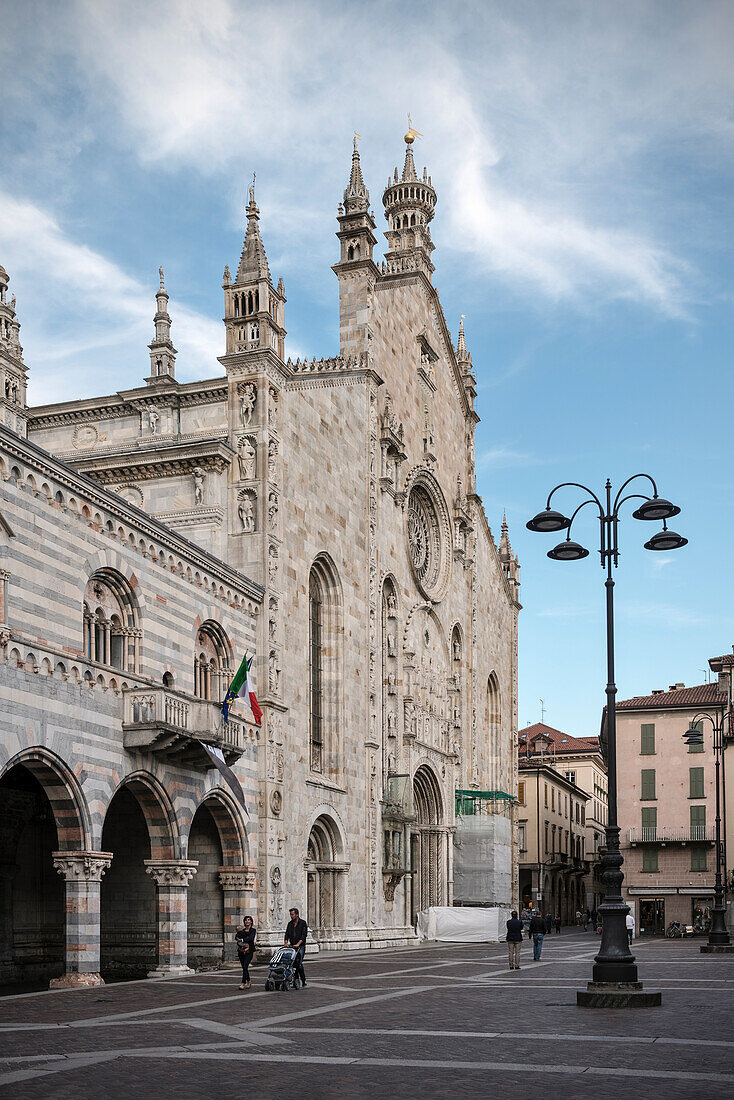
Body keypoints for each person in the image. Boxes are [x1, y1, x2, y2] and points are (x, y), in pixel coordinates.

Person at [284, 906, 308, 988]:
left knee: (299, 963)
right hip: (292, 946)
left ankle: (303, 979)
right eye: (290, 915)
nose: (291, 916)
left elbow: (304, 935)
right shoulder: (290, 924)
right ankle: (296, 980)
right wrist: (286, 943)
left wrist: (298, 944)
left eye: (292, 914)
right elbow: (286, 934)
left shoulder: (303, 923)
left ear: (297, 915)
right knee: (293, 963)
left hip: (300, 946)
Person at [235, 914, 256, 990]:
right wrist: (240, 942)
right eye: (246, 920)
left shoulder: (253, 930)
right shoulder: (242, 931)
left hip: (249, 950)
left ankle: (243, 983)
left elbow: (251, 938)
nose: (247, 921)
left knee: (245, 966)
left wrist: (242, 940)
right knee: (244, 967)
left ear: (251, 922)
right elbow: (237, 938)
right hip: (241, 950)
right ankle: (249, 981)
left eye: (248, 920)